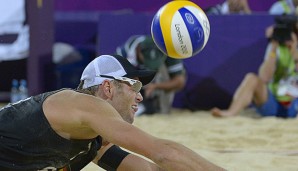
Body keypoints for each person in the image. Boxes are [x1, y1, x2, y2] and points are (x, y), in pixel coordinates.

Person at [0, 54, 225, 170]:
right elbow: (162, 152)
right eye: (134, 86)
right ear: (108, 87)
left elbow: (149, 169)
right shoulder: (83, 103)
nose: (140, 95)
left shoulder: (91, 137)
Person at [211, 15, 298, 118]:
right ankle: (231, 112)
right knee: (251, 78)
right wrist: (273, 47)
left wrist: (294, 52)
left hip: (294, 103)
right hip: (273, 102)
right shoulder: (277, 47)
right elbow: (264, 77)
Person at [116, 35, 186, 114]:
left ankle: (156, 105)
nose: (150, 65)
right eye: (148, 61)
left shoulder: (168, 50)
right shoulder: (126, 50)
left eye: (155, 63)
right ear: (139, 51)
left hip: (156, 84)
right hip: (132, 83)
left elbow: (179, 81)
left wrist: (155, 86)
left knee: (164, 71)